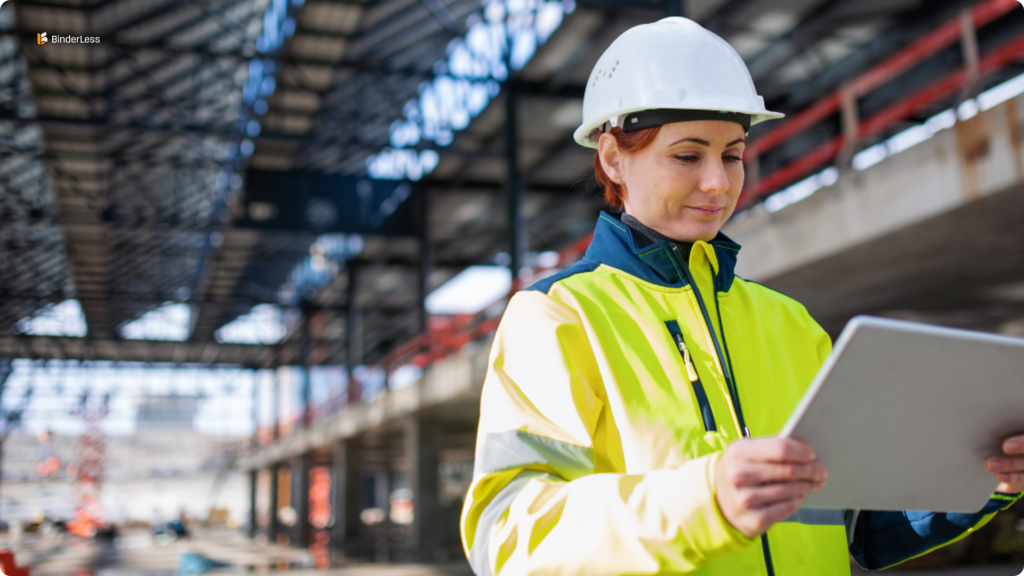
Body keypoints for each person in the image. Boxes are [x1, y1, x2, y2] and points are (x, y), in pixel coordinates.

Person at [459, 16, 1024, 575]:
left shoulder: (791, 323)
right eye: (688, 155)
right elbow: (509, 540)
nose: (719, 183)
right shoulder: (559, 316)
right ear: (613, 158)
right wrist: (706, 501)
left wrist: (982, 480)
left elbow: (857, 527)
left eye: (732, 154)